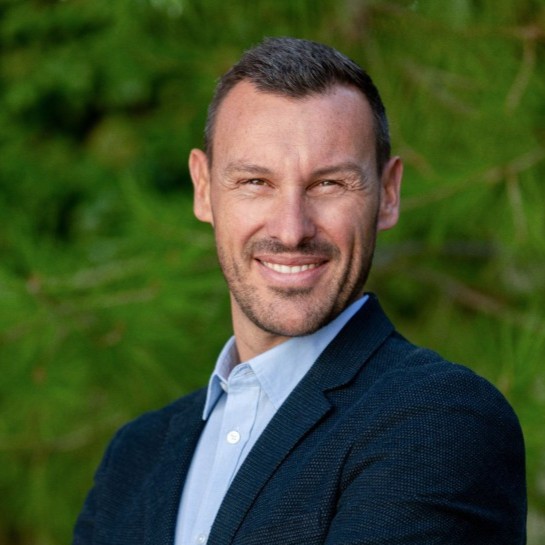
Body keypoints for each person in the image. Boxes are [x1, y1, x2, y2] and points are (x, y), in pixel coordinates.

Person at [73, 37, 526, 545]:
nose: (291, 231)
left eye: (328, 184)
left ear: (388, 194)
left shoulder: (438, 422)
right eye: (255, 182)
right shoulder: (135, 458)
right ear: (203, 188)